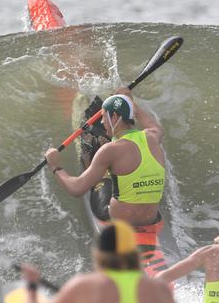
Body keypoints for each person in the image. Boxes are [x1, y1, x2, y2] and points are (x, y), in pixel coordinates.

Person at [21, 220, 187, 303]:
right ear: (134, 253)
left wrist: (32, 286)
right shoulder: (159, 289)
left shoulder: (83, 285)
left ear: (98, 253)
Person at [44, 87, 166, 226]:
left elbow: (76, 189)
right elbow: (155, 127)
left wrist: (55, 166)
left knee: (100, 172)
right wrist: (131, 104)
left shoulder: (110, 150)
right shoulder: (153, 136)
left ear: (114, 117)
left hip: (116, 219)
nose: (102, 122)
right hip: (150, 219)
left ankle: (98, 170)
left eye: (103, 116)